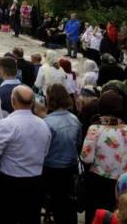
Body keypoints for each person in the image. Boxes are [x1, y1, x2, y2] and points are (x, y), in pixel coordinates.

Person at [0, 85, 52, 224]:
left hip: (11, 182)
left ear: (13, 101)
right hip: (35, 180)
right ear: (32, 102)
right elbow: (45, 152)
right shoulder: (43, 124)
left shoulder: (6, 124)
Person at [80, 90, 127, 221]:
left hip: (100, 181)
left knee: (99, 216)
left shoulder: (95, 129)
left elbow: (86, 158)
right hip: (124, 183)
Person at [42, 84, 83, 224]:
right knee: (69, 201)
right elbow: (78, 143)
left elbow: (44, 149)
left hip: (52, 168)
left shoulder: (47, 122)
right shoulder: (74, 119)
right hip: (71, 166)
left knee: (58, 202)